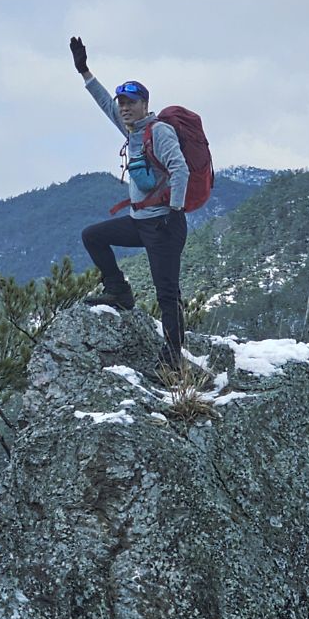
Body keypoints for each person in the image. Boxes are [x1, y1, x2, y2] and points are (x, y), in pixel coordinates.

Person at [69, 35, 190, 371]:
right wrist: (84, 72)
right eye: (122, 102)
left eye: (130, 102)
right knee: (93, 236)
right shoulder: (131, 130)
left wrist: (175, 210)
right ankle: (118, 291)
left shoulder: (159, 132)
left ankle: (173, 357)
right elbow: (104, 103)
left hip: (164, 223)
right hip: (141, 222)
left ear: (144, 105)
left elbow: (180, 169)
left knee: (167, 292)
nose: (123, 107)